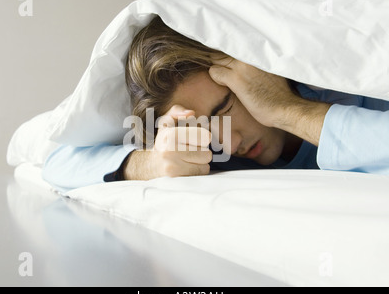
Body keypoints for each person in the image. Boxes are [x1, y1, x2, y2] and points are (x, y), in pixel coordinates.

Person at [42, 16, 389, 192]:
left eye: (223, 109)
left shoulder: (353, 89)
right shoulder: (213, 150)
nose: (231, 143)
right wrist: (149, 163)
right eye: (204, 130)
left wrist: (288, 111)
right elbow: (57, 161)